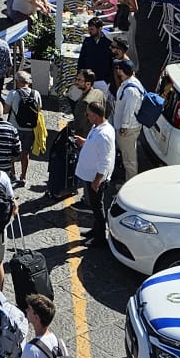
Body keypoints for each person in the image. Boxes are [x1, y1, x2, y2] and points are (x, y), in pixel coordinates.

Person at [75, 96, 116, 251]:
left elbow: (105, 161)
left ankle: (100, 237)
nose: (87, 116)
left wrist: (97, 180)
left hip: (96, 178)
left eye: (89, 114)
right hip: (91, 175)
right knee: (94, 206)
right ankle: (95, 230)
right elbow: (95, 146)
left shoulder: (104, 134)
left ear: (97, 116)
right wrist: (84, 142)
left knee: (97, 207)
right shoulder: (97, 128)